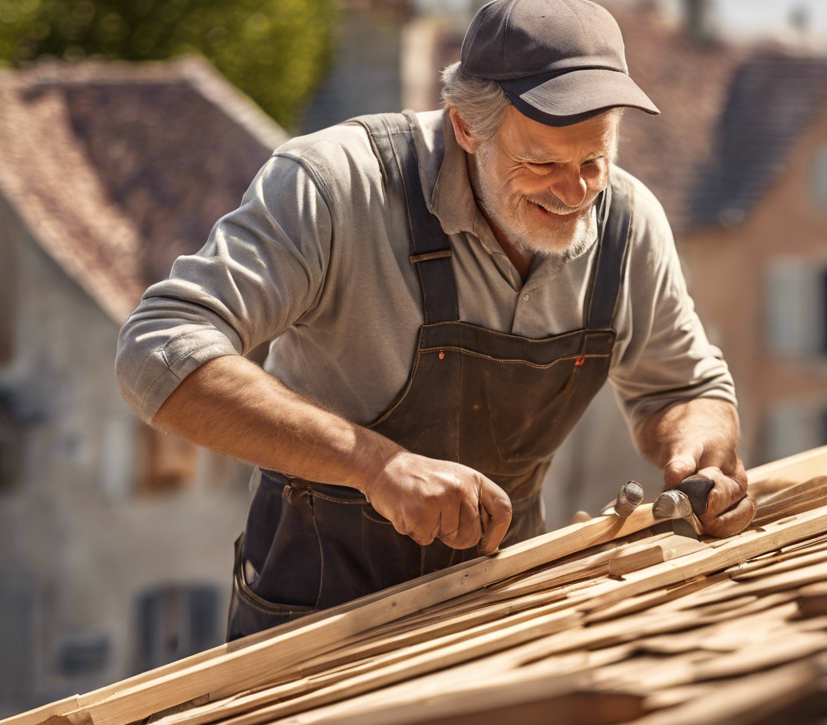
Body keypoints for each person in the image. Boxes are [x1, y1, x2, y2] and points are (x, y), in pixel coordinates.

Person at [115, 0, 750, 640]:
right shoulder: (336, 186)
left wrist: (697, 450)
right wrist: (374, 465)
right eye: (543, 164)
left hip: (501, 605)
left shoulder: (627, 224)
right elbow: (160, 351)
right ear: (466, 128)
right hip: (311, 623)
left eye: (593, 161)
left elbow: (687, 389)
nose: (575, 192)